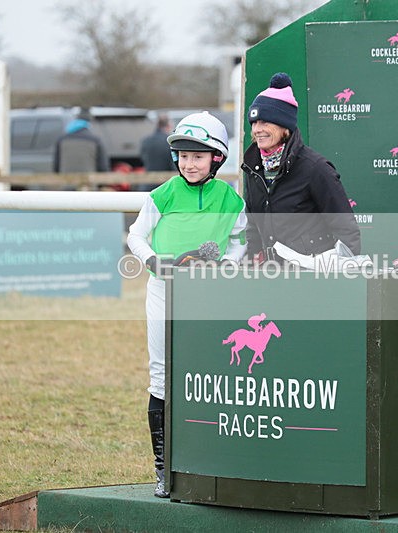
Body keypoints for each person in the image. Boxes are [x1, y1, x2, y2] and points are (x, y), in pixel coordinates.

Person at [127, 111, 247, 498]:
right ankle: (163, 468)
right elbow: (135, 235)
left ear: (217, 158)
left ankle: (209, 461)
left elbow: (239, 242)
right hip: (164, 291)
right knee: (162, 374)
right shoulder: (162, 194)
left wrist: (225, 267)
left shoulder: (230, 199)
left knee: (208, 373)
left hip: (207, 296)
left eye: (198, 156)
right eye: (183, 156)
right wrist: (153, 261)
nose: (189, 164)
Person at [242, 72, 361, 262]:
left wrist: (340, 272)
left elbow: (347, 231)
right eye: (254, 123)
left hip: (311, 273)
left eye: (265, 122)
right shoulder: (253, 169)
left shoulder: (315, 168)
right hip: (271, 273)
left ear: (285, 126)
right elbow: (253, 228)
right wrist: (253, 260)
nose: (257, 129)